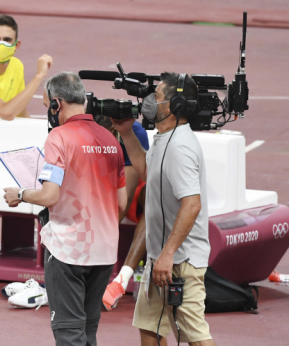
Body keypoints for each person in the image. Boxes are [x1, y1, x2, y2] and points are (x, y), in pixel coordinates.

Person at [3, 72, 127, 346]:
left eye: (48, 104)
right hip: (104, 251)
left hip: (68, 250)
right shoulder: (111, 139)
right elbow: (121, 203)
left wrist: (21, 194)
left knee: (69, 334)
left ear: (57, 104)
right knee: (87, 332)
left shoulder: (59, 137)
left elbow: (49, 195)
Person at [112, 73, 215, 346]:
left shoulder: (180, 147)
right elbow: (149, 172)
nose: (149, 101)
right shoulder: (163, 138)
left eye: (156, 97)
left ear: (174, 105)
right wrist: (125, 132)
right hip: (160, 259)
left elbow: (192, 204)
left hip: (180, 261)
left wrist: (168, 255)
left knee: (194, 335)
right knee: (150, 329)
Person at [94, 115, 150, 311]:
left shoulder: (134, 133)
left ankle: (121, 280)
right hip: (100, 187)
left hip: (131, 190)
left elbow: (122, 202)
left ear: (114, 132)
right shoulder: (83, 133)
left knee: (156, 199)